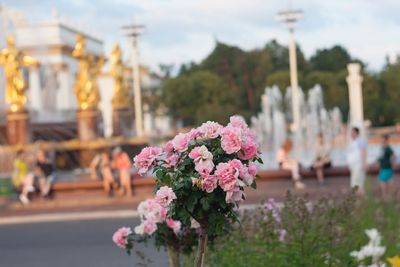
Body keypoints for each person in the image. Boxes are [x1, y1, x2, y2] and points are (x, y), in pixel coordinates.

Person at [346, 127, 368, 195]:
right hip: (354, 165)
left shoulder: (361, 140)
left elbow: (363, 152)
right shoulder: (353, 141)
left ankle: (362, 199)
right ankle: (359, 199)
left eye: (352, 132)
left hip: (359, 165)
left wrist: (364, 163)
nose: (351, 134)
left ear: (356, 133)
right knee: (355, 183)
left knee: (358, 183)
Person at [377, 134, 395, 202]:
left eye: (382, 139)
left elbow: (393, 156)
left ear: (386, 139)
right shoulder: (383, 147)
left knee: (384, 184)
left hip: (386, 168)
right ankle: (387, 198)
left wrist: (392, 164)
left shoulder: (388, 148)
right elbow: (380, 157)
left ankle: (386, 199)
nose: (381, 140)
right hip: (383, 168)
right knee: (385, 184)